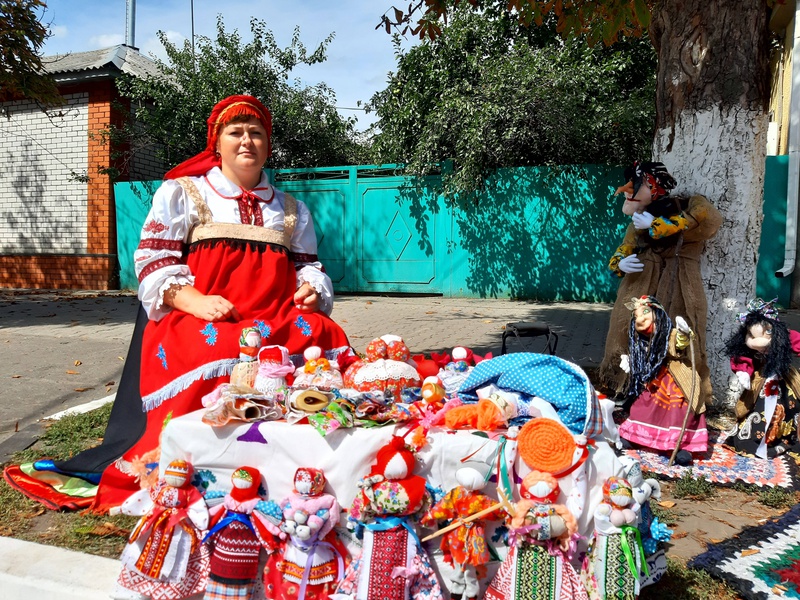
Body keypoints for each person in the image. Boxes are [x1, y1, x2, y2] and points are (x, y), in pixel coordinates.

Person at [7, 95, 350, 512]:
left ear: (268, 144)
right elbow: (153, 259)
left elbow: (307, 264)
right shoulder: (185, 193)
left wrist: (312, 288)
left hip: (274, 315)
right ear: (217, 143)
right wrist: (194, 300)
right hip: (204, 313)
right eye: (235, 132)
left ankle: (310, 460)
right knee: (218, 347)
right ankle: (198, 466)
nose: (247, 141)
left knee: (323, 336)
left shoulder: (291, 208)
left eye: (256, 133)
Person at [598, 161, 722, 410]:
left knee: (678, 333)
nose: (627, 190)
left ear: (654, 187)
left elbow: (709, 219)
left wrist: (657, 226)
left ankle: (681, 394)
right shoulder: (637, 220)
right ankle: (631, 388)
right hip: (643, 280)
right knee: (632, 333)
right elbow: (624, 249)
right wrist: (620, 264)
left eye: (637, 184)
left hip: (679, 279)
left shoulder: (687, 205)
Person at [616, 296, 708, 465]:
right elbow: (642, 357)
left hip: (676, 379)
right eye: (636, 316)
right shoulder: (640, 342)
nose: (640, 319)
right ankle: (636, 437)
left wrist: (683, 334)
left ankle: (682, 445)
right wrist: (631, 361)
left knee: (678, 411)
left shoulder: (668, 333)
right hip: (653, 381)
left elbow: (678, 344)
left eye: (645, 312)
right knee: (642, 406)